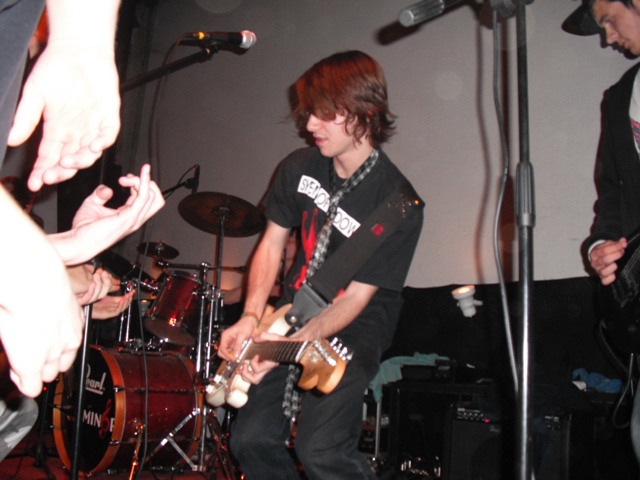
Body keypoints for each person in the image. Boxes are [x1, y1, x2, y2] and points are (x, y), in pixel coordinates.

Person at [218, 50, 424, 479]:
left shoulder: (398, 204)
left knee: (320, 450)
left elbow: (356, 299)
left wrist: (293, 348)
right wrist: (251, 316)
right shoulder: (298, 167)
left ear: (366, 112)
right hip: (291, 312)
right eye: (310, 112)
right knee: (250, 440)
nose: (311, 124)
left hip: (356, 323)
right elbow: (271, 245)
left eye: (326, 113)